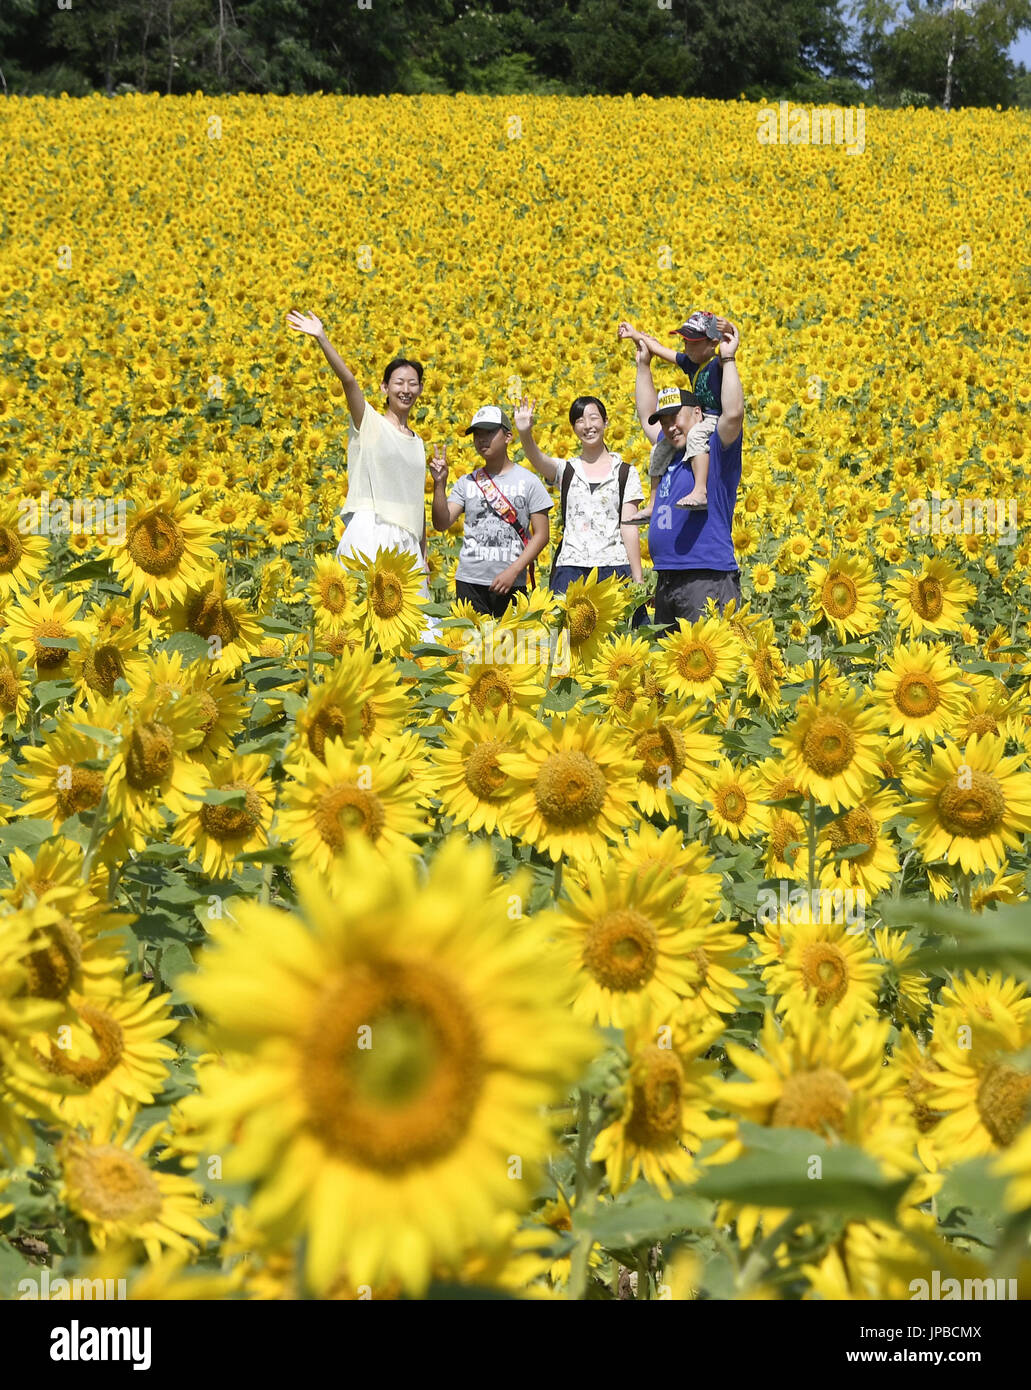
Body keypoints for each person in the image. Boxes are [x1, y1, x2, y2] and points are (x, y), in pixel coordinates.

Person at [285, 308, 437, 622]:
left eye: (413, 383)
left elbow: (416, 503)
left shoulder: (419, 442)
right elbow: (349, 381)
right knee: (357, 621)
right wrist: (321, 337)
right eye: (398, 383)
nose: (406, 389)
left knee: (414, 629)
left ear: (421, 389)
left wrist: (423, 553)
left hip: (407, 540)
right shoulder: (369, 423)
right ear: (384, 388)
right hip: (372, 528)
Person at [631, 320, 745, 629]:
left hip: (705, 579)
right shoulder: (669, 450)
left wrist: (729, 359)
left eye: (675, 418)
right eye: (664, 421)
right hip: (668, 580)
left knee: (711, 664)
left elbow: (733, 413)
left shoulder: (715, 446)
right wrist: (644, 364)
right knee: (672, 673)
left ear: (697, 414)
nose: (669, 427)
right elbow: (645, 416)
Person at [512, 394, 644, 594]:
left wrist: (638, 577)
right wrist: (524, 433)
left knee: (619, 625)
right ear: (574, 428)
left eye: (593, 418)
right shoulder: (567, 470)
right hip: (571, 566)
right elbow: (537, 459)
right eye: (580, 420)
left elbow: (629, 527)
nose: (587, 425)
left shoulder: (625, 472)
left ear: (605, 422)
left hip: (614, 566)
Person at [429, 405, 551, 618]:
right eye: (477, 434)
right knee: (471, 648)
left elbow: (542, 535)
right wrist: (439, 483)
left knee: (507, 649)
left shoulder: (529, 482)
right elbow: (442, 522)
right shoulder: (466, 482)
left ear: (508, 436)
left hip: (511, 582)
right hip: (469, 581)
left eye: (489, 432)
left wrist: (514, 571)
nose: (482, 439)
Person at [617, 310, 725, 520]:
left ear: (712, 343)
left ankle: (700, 490)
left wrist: (728, 335)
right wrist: (634, 335)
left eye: (693, 341)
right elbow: (659, 349)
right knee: (658, 450)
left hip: (715, 419)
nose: (686, 347)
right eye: (685, 341)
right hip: (701, 418)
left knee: (695, 436)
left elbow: (727, 355)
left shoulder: (718, 366)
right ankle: (653, 503)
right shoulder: (692, 364)